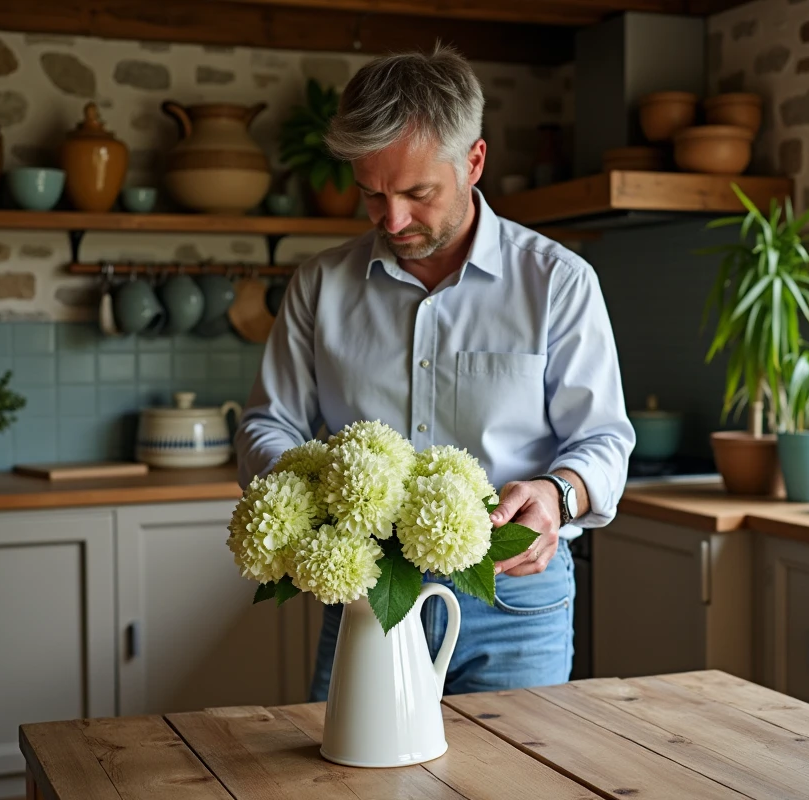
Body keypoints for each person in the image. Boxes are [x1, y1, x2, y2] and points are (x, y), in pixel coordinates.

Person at [235, 44, 634, 700]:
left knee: (512, 765)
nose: (392, 220)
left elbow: (604, 440)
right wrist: (305, 494)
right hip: (366, 594)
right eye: (371, 194)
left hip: (513, 597)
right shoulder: (319, 286)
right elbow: (267, 423)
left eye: (418, 193)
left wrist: (559, 495)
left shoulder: (558, 282)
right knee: (345, 763)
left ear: (473, 161)